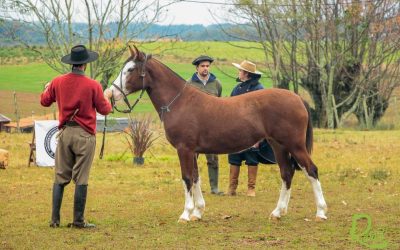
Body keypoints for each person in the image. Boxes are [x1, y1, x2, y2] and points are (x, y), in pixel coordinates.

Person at [40, 45, 113, 228]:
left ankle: (55, 220)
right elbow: (105, 109)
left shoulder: (57, 81)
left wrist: (47, 88)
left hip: (64, 133)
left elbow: (44, 101)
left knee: (60, 176)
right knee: (81, 178)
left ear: (71, 63)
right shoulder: (93, 85)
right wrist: (106, 96)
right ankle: (78, 221)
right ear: (85, 65)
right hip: (85, 135)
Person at [227, 60, 264, 197]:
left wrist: (259, 137)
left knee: (251, 157)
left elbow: (261, 114)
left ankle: (251, 188)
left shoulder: (259, 89)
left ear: (246, 74)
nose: (239, 73)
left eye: (240, 71)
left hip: (252, 130)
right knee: (234, 157)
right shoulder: (237, 88)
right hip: (236, 129)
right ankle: (232, 188)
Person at [187, 55, 223, 195]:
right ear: (197, 68)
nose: (205, 68)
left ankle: (214, 187)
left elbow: (219, 102)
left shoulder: (217, 83)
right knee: (191, 157)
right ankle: (191, 185)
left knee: (213, 158)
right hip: (194, 127)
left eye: (207, 66)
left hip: (211, 127)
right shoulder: (189, 83)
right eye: (203, 66)